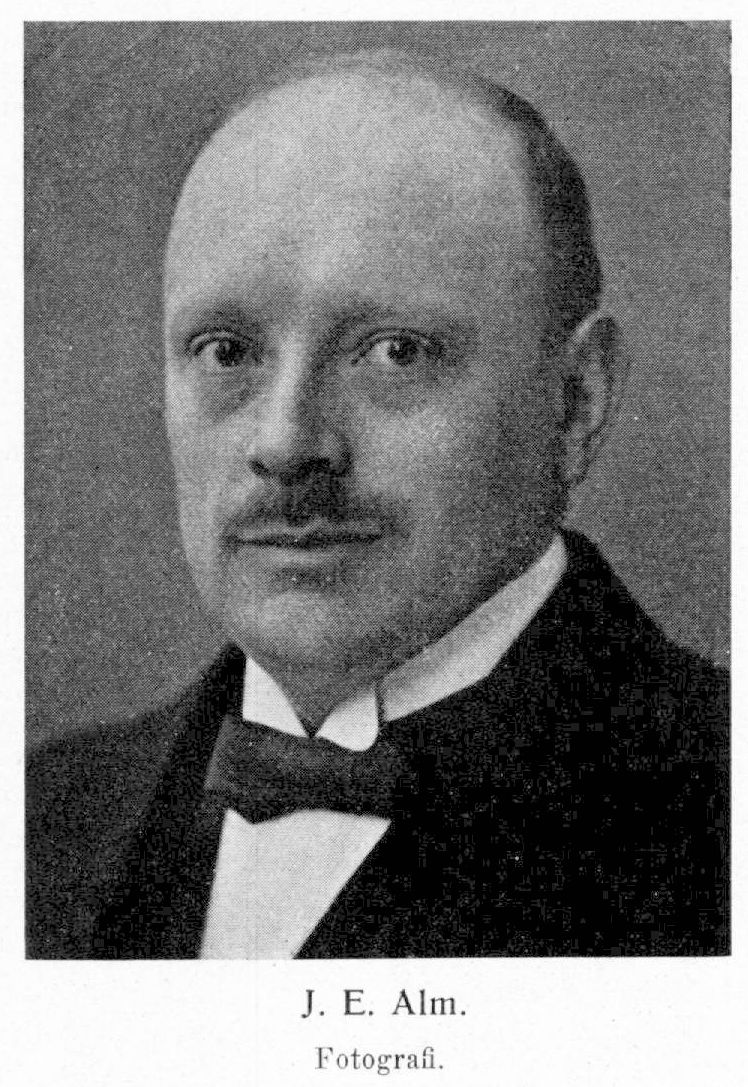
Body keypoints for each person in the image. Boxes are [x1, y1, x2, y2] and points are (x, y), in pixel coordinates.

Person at [26, 49, 729, 959]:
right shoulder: (43, 817)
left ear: (574, 402)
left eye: (396, 351)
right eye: (227, 351)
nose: (286, 443)